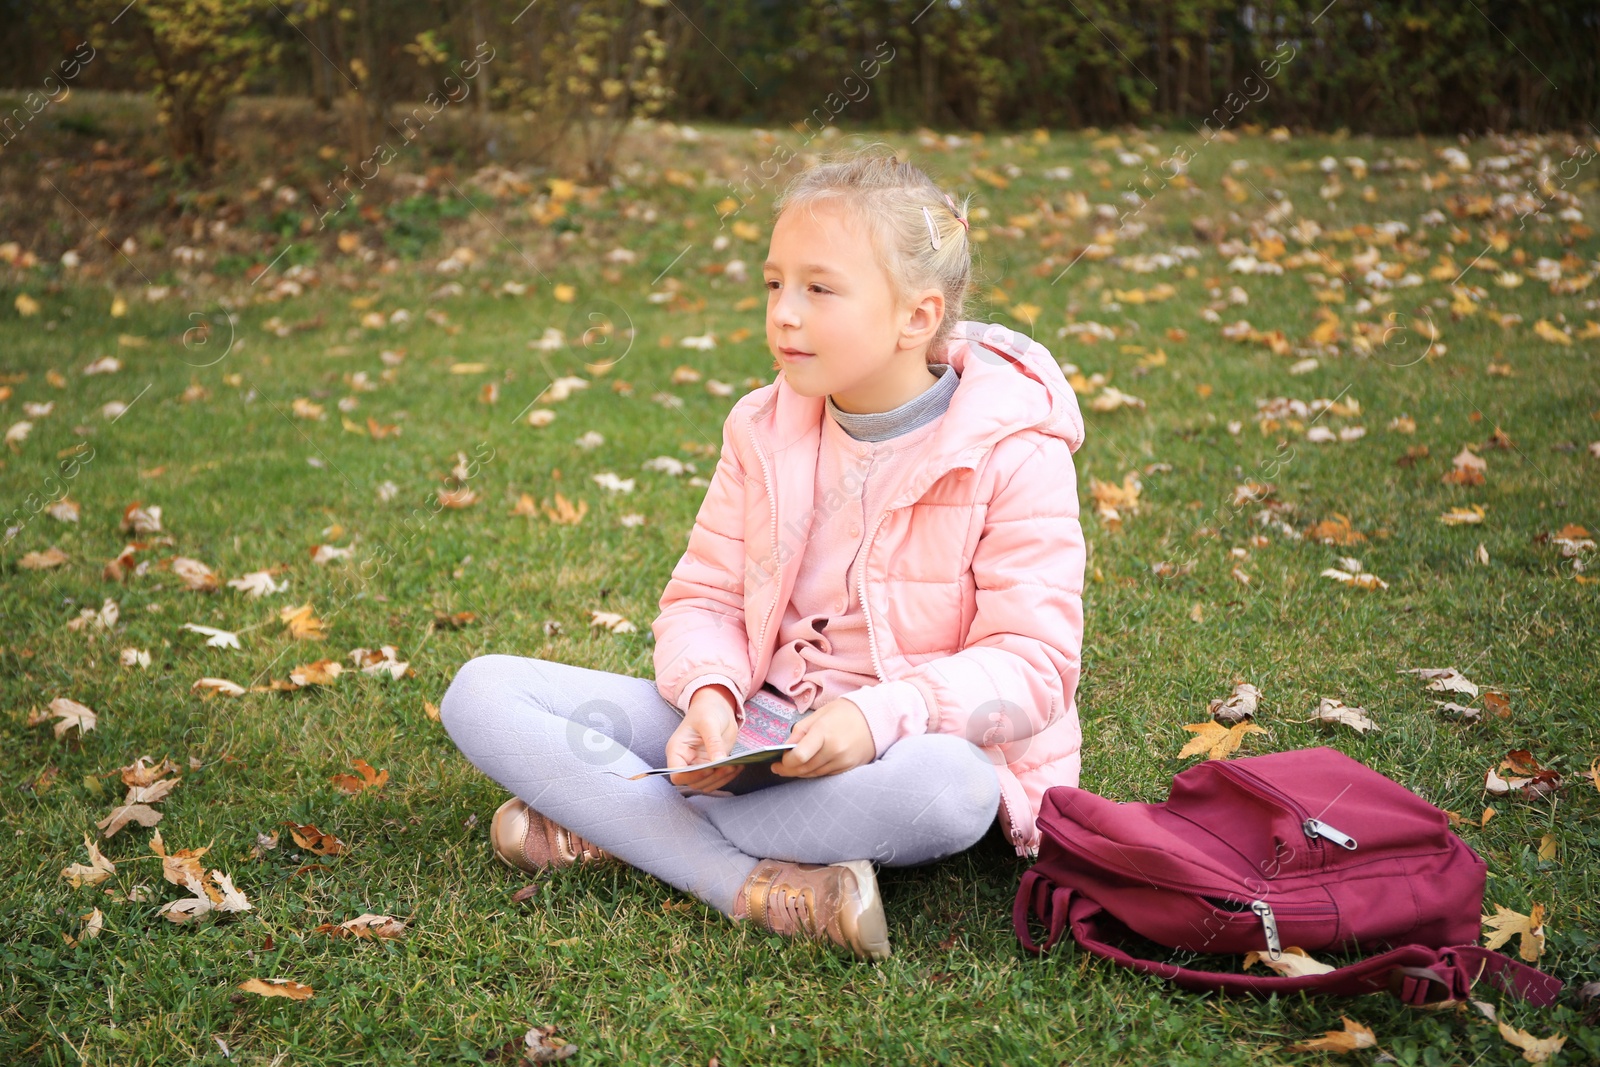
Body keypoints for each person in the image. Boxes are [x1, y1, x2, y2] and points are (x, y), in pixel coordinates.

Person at [439, 144, 1088, 962]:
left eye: (820, 288)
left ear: (916, 317)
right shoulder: (761, 426)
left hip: (892, 754)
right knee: (481, 690)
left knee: (953, 793)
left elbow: (1032, 663)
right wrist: (709, 697)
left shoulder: (1016, 449)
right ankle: (758, 885)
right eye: (774, 282)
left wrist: (875, 714)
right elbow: (702, 599)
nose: (784, 313)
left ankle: (616, 820)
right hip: (752, 729)